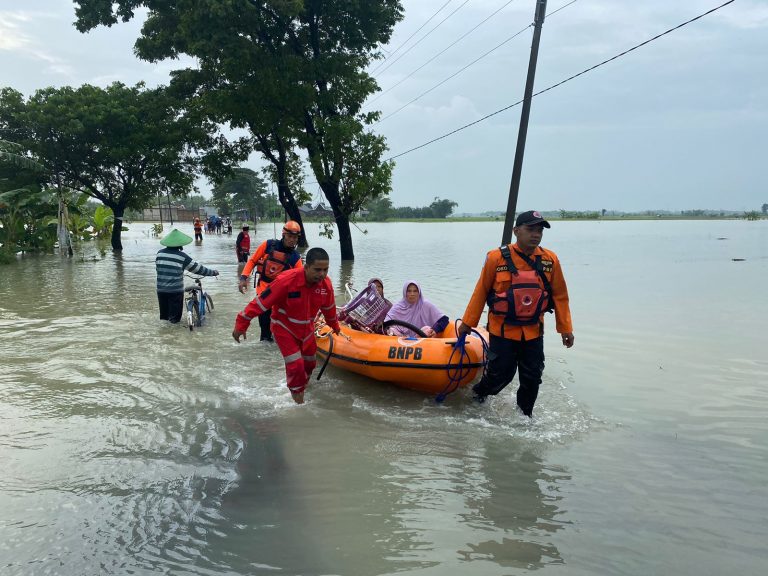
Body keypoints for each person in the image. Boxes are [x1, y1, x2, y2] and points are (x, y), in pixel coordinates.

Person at [457, 210, 574, 417]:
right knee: (500, 376)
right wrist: (468, 324)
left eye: (539, 230)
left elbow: (560, 296)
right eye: (531, 229)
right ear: (516, 231)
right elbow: (481, 291)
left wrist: (565, 328)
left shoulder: (550, 260)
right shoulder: (495, 258)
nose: (536, 234)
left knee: (532, 377)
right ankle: (478, 396)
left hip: (534, 332)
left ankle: (525, 417)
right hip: (503, 332)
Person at [232, 247, 341, 404]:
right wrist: (241, 324)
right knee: (296, 365)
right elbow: (261, 303)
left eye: (325, 270)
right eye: (317, 270)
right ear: (306, 266)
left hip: (307, 329)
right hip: (284, 328)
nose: (322, 274)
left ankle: (301, 388)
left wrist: (335, 327)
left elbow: (329, 309)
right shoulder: (286, 280)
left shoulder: (326, 285)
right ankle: (298, 402)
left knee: (310, 363)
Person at [238, 220, 303, 342]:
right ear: (283, 235)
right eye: (290, 236)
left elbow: (301, 281)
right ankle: (265, 349)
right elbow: (252, 261)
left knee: (280, 328)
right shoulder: (268, 245)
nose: (292, 240)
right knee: (265, 328)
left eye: (295, 238)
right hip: (264, 292)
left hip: (281, 297)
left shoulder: (295, 258)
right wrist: (243, 278)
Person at [155, 228, 219, 323]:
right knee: (174, 321)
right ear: (180, 244)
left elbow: (159, 269)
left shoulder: (159, 254)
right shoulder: (182, 257)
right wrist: (212, 272)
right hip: (175, 292)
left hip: (161, 291)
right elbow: (198, 269)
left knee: (165, 320)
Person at [384, 281, 449, 338]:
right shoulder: (398, 306)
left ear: (419, 293)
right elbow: (386, 323)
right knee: (391, 330)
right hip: (400, 338)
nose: (412, 294)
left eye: (415, 291)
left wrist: (435, 330)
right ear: (405, 293)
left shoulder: (425, 304)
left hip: (420, 338)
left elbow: (444, 320)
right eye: (409, 291)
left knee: (427, 329)